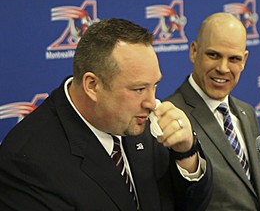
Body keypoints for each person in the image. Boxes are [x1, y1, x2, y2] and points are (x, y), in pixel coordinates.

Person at [0, 18, 212, 211]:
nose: (151, 103)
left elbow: (192, 205)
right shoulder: (27, 162)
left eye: (155, 85)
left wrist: (186, 152)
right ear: (92, 85)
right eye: (138, 89)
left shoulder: (145, 122)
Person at [167, 12, 260, 210]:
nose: (223, 68)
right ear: (194, 51)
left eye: (233, 59)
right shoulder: (171, 117)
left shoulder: (247, 112)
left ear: (244, 60)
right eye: (213, 55)